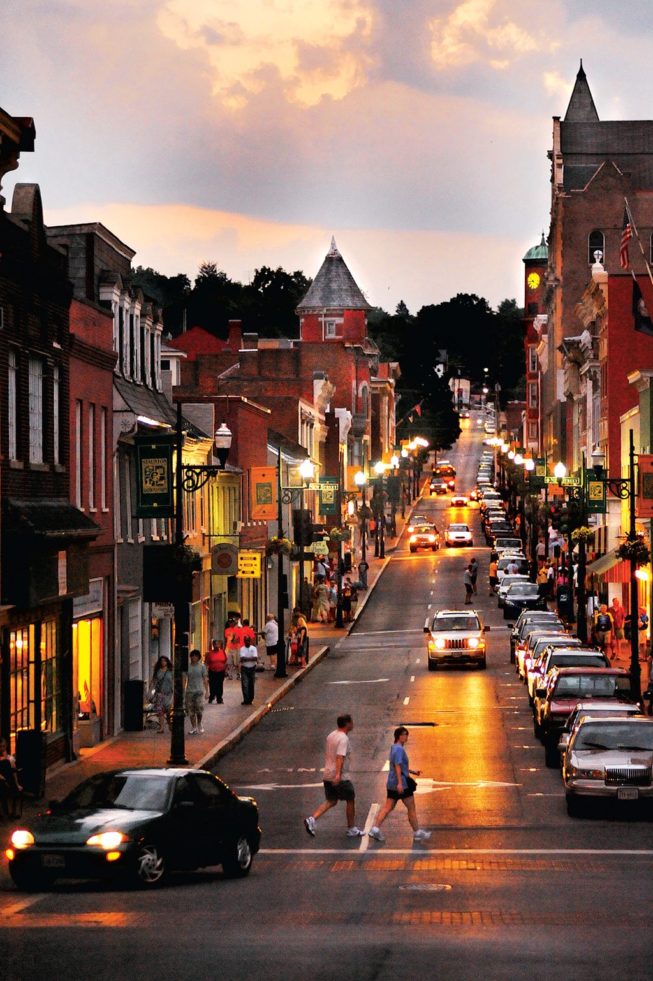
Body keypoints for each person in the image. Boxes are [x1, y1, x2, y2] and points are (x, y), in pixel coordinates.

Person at [304, 714, 363, 838]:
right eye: (351, 722)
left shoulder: (331, 735)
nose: (353, 724)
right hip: (340, 776)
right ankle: (351, 828)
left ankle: (312, 819)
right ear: (347, 724)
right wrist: (338, 775)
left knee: (331, 800)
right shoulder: (343, 738)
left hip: (327, 774)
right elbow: (340, 757)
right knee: (350, 799)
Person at [368, 727, 431, 843]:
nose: (406, 737)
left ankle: (375, 829)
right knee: (411, 807)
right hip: (401, 784)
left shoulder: (394, 748)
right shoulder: (399, 749)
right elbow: (397, 766)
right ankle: (417, 833)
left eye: (407, 734)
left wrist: (413, 772)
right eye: (404, 734)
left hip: (392, 783)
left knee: (388, 807)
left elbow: (400, 766)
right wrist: (400, 784)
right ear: (399, 736)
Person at [185, 649, 209, 734]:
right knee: (190, 710)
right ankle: (193, 727)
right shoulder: (187, 667)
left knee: (199, 709)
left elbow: (205, 679)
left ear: (199, 657)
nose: (194, 657)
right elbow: (184, 679)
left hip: (199, 691)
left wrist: (207, 691)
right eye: (192, 656)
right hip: (189, 691)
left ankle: (199, 724)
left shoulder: (202, 667)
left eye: (196, 656)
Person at [0, 738, 23, 819]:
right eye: (0, 746)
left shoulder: (10, 758)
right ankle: (4, 812)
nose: (2, 748)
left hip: (9, 780)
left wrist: (17, 784)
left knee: (15, 790)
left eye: (3, 746)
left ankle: (14, 812)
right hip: (1, 781)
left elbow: (14, 772)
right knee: (2, 788)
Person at [152, 655, 173, 733]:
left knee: (168, 710)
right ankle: (161, 728)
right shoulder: (158, 671)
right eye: (161, 661)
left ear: (167, 662)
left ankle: (169, 724)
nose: (163, 662)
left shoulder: (170, 671)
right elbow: (154, 681)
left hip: (168, 694)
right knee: (160, 711)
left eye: (164, 661)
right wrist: (150, 691)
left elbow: (173, 681)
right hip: (159, 693)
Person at [205, 639, 227, 703]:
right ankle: (212, 696)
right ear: (213, 645)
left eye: (218, 644)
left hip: (221, 671)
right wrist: (206, 672)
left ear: (220, 645)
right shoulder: (210, 653)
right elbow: (206, 663)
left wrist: (225, 669)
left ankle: (219, 698)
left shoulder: (222, 652)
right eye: (215, 644)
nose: (216, 645)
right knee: (212, 685)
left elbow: (225, 661)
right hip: (212, 671)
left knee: (220, 684)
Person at [239, 634, 259, 704]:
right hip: (244, 668)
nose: (247, 642)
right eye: (246, 641)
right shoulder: (242, 649)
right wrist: (251, 658)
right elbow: (242, 659)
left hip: (252, 668)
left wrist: (246, 659)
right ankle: (246, 699)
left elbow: (255, 658)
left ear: (250, 641)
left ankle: (250, 699)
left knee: (251, 684)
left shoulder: (254, 648)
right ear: (244, 641)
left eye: (248, 640)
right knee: (245, 684)